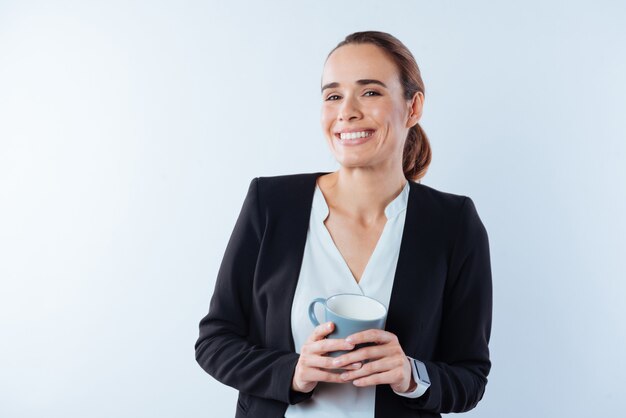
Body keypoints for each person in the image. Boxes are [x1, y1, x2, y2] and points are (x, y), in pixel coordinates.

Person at [195, 31, 492, 418]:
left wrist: (410, 374)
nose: (346, 111)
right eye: (333, 95)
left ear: (414, 107)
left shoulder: (453, 224)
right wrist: (293, 373)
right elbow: (215, 341)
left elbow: (470, 377)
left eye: (370, 92)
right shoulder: (270, 204)